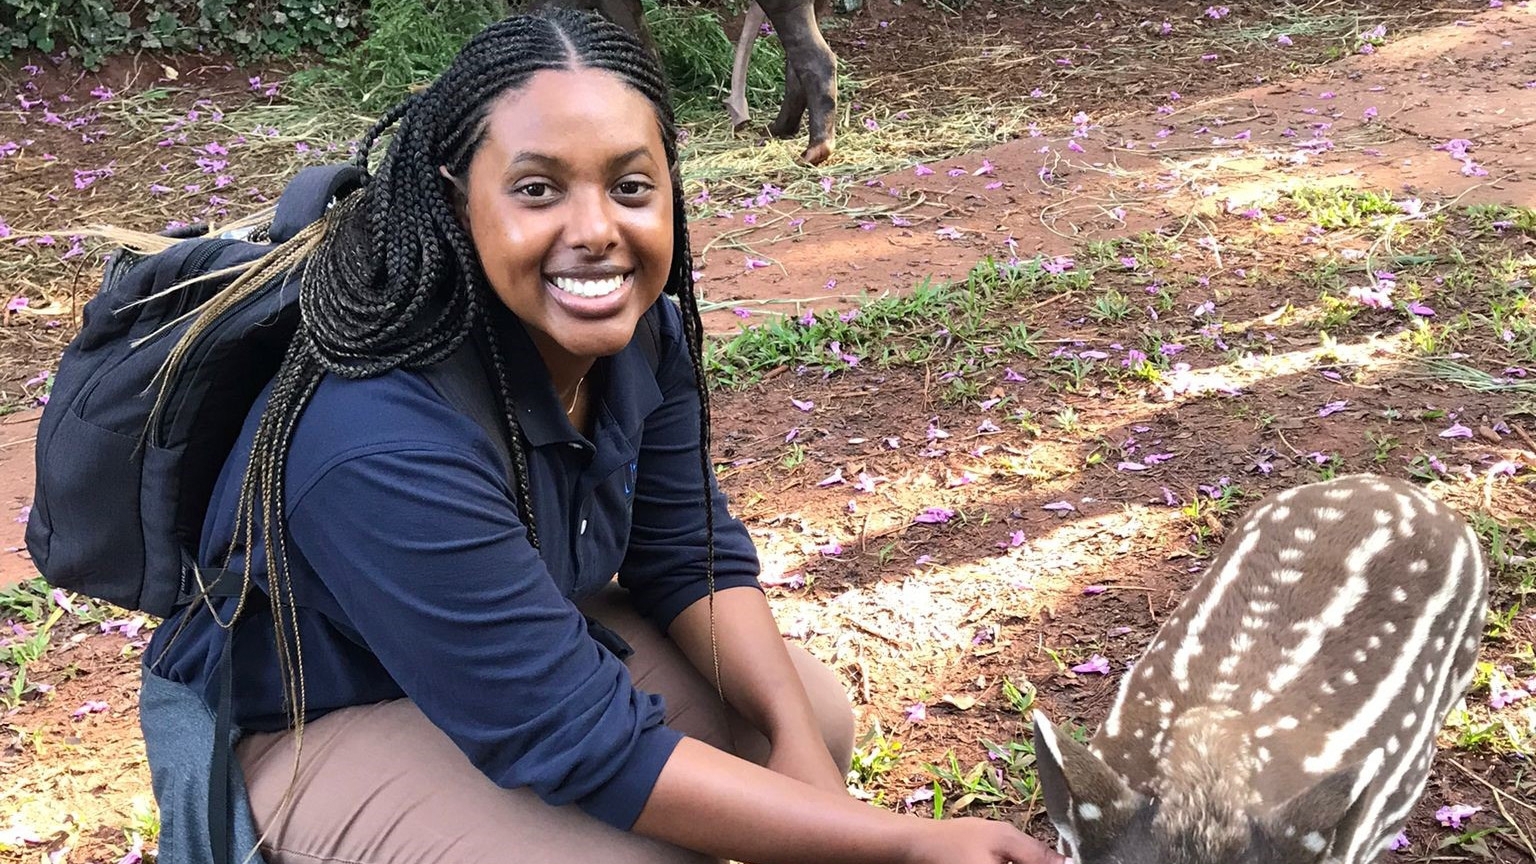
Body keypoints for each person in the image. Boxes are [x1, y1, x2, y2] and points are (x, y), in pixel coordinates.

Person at [138, 8, 1069, 864]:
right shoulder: (379, 434)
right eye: (538, 189)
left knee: (806, 717)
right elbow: (579, 743)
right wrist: (897, 844)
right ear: (459, 201)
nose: (596, 231)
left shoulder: (640, 334)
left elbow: (686, 556)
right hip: (311, 715)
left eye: (630, 186)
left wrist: (799, 750)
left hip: (497, 668)